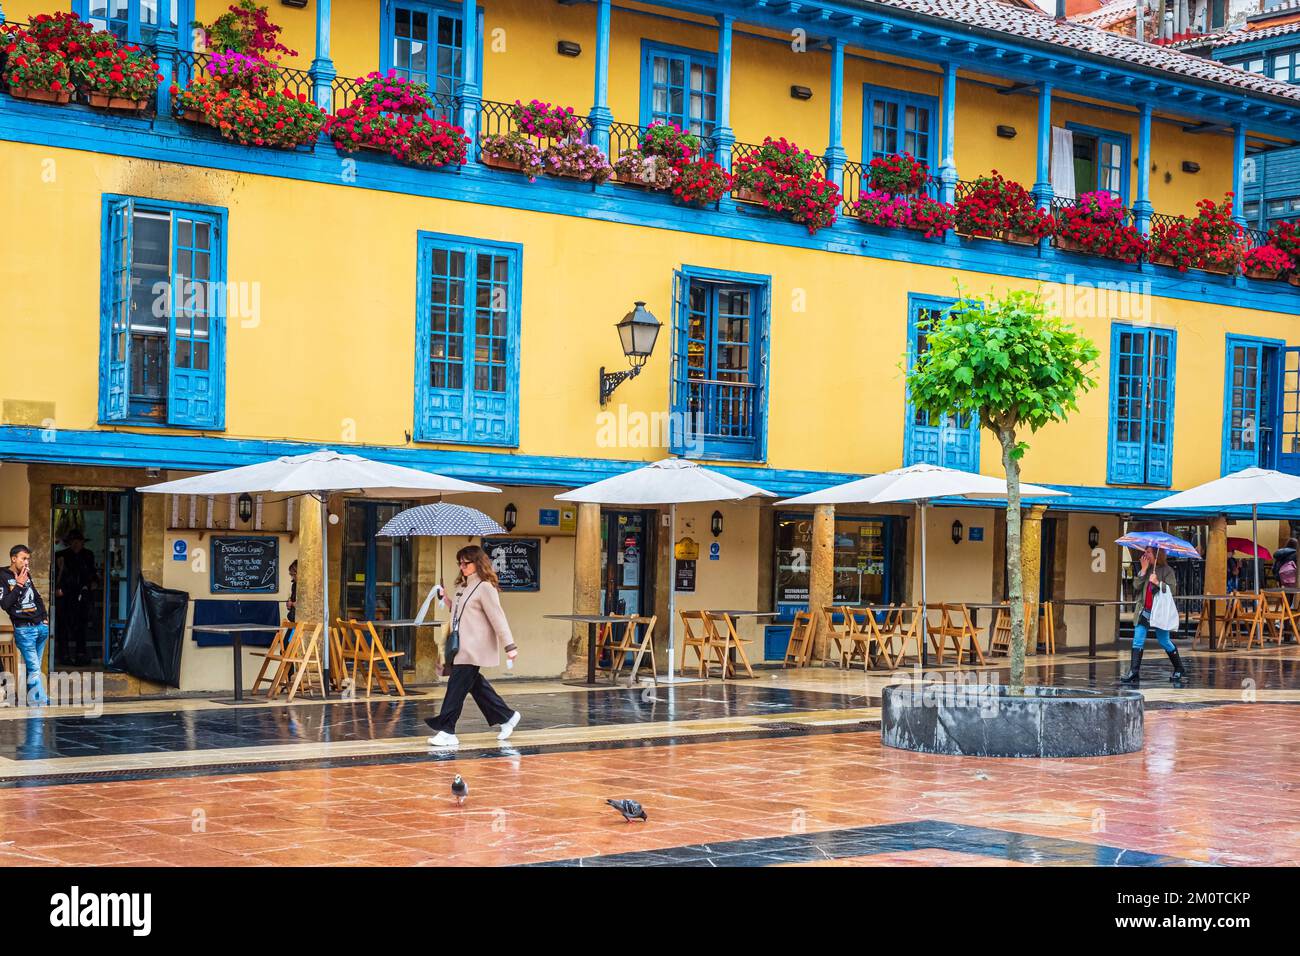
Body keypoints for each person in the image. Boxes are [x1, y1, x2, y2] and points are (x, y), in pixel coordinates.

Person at [425, 545, 521, 748]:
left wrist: (510, 646)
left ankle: (447, 730)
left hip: (474, 648)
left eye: (465, 563)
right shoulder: (462, 587)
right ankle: (507, 716)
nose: (462, 567)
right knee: (475, 685)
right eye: (459, 563)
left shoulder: (485, 587)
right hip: (460, 646)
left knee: (456, 686)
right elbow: (461, 613)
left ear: (477, 563)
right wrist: (447, 600)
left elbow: (498, 618)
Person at [1120, 546, 1184, 683]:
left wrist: (1157, 582)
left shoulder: (1167, 571)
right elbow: (1136, 586)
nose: (1145, 554)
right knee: (1137, 640)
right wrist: (1143, 570)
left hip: (1158, 612)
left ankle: (1179, 668)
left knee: (1164, 641)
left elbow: (1172, 590)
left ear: (1156, 554)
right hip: (1144, 610)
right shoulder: (1147, 568)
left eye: (1148, 552)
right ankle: (1133, 672)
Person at [1, 545, 50, 705]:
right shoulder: (2, 575)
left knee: (33, 667)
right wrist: (19, 585)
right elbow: (5, 604)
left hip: (40, 627)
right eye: (24, 558)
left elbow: (37, 597)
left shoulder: (26, 574)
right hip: (24, 629)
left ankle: (32, 699)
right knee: (35, 667)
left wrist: (44, 618)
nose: (27, 562)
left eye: (28, 558)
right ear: (14, 558)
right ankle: (42, 700)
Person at [55, 530, 96, 666]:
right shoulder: (61, 555)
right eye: (74, 541)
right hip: (65, 595)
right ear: (70, 542)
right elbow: (56, 576)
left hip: (82, 595)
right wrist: (58, 587)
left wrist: (90, 585)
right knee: (63, 626)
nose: (77, 544)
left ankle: (80, 655)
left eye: (80, 541)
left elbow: (92, 573)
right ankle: (64, 655)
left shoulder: (88, 555)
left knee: (81, 625)